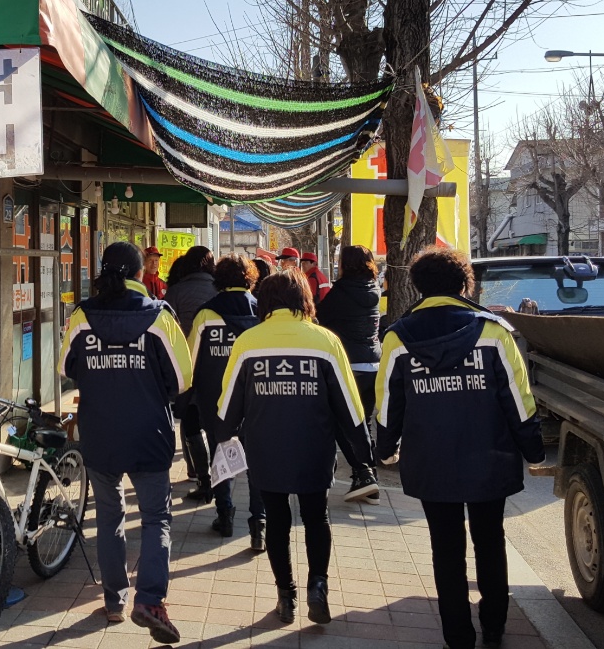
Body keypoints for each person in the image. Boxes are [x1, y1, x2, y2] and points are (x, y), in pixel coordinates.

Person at [375, 247, 545, 649]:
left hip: (430, 461)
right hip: (489, 457)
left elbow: (388, 404)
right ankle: (494, 626)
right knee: (490, 541)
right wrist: (534, 451)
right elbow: (519, 400)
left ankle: (457, 637)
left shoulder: (398, 337)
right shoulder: (494, 332)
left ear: (417, 286)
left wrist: (386, 449)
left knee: (445, 548)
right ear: (465, 284)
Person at [219, 271, 374, 626]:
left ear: (265, 302)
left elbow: (228, 407)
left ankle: (285, 597)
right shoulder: (325, 341)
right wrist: (364, 453)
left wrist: (223, 436)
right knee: (316, 517)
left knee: (277, 520)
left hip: (265, 448)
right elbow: (351, 408)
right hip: (314, 446)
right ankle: (318, 586)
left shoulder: (248, 342)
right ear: (305, 299)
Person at [59, 242, 192, 643]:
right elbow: (182, 378)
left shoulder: (82, 316)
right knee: (155, 518)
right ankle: (150, 600)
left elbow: (66, 367)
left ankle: (114, 600)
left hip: (99, 433)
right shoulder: (159, 316)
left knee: (109, 515)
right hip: (149, 433)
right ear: (139, 273)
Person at [186, 254, 266, 548]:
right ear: (250, 278)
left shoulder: (206, 314)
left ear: (218, 279)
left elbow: (190, 360)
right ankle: (259, 522)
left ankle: (225, 514)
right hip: (255, 396)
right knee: (256, 456)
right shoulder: (263, 311)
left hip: (214, 396)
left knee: (220, 452)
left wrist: (186, 395)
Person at [315, 244, 384, 503]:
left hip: (349, 366)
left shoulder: (340, 293)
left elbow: (319, 319)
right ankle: (370, 482)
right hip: (373, 364)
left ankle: (364, 474)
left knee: (341, 424)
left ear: (345, 264)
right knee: (362, 423)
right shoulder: (374, 289)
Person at [164, 246, 217, 501]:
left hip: (185, 364)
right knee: (217, 426)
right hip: (216, 364)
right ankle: (221, 480)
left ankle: (200, 476)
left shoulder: (175, 291)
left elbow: (167, 330)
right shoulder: (219, 289)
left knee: (191, 421)